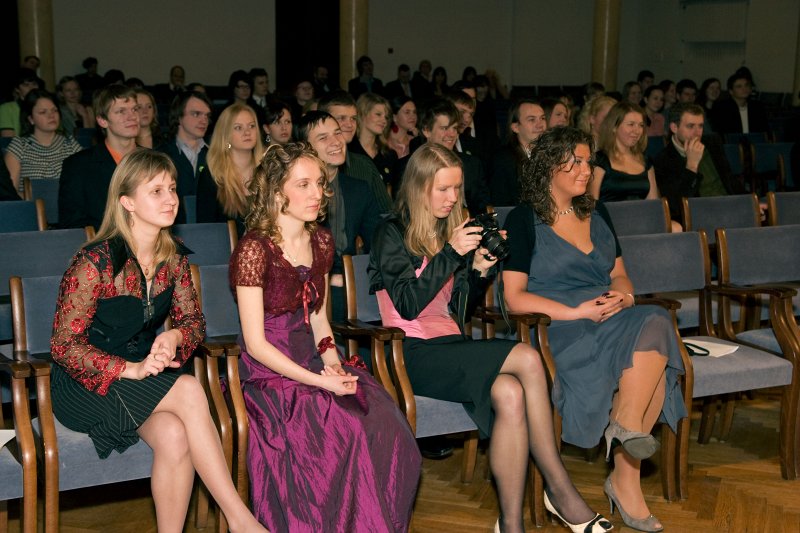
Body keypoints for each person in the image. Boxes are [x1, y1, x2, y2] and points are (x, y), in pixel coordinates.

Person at [369, 143, 612, 533]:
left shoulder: (448, 229)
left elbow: (457, 313)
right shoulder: (390, 232)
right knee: (528, 358)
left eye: (457, 189)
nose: (453, 199)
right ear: (419, 187)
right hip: (410, 353)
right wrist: (451, 253)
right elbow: (409, 304)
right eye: (443, 190)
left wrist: (478, 269)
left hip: (451, 346)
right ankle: (559, 486)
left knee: (511, 394)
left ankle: (510, 525)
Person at [49, 149, 266, 533]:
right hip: (85, 383)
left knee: (174, 434)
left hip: (143, 374)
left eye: (172, 189)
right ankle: (240, 519)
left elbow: (195, 323)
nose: (170, 199)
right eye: (156, 191)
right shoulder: (94, 263)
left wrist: (175, 334)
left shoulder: (174, 259)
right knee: (187, 388)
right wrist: (128, 369)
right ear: (127, 202)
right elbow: (64, 347)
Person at [503, 127, 686, 533]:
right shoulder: (523, 219)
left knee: (655, 319)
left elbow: (621, 276)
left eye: (589, 161)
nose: (587, 170)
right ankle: (625, 478)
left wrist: (623, 297)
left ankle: (625, 432)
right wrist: (577, 311)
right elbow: (515, 297)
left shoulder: (597, 211)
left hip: (610, 315)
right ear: (550, 167)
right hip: (559, 326)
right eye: (578, 162)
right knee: (652, 349)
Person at [229, 142, 419, 531]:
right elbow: (256, 344)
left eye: (319, 183)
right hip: (269, 377)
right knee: (343, 433)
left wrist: (333, 366)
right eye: (304, 185)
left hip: (314, 363)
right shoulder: (253, 249)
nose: (317, 193)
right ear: (277, 191)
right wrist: (319, 382)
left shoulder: (321, 241)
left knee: (387, 423)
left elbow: (318, 319)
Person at [295, 111, 385, 320]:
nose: (336, 141)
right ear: (305, 148)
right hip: (304, 288)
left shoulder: (357, 189)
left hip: (349, 283)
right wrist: (335, 278)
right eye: (323, 137)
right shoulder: (294, 191)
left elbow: (378, 242)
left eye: (337, 133)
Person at [59, 84, 140, 229]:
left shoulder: (156, 162)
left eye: (134, 109)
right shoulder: (78, 166)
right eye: (121, 111)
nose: (132, 116)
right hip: (102, 246)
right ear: (103, 121)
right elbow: (73, 224)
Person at [654, 103, 744, 220]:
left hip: (730, 206)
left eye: (700, 126)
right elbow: (677, 207)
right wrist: (692, 166)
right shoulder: (663, 160)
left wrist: (751, 203)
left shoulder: (712, 143)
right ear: (674, 128)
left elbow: (730, 180)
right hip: (702, 215)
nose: (697, 133)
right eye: (690, 126)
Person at [318, 91, 393, 212]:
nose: (350, 124)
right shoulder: (306, 165)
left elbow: (386, 213)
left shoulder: (365, 165)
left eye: (353, 118)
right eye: (341, 118)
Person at [197, 103, 263, 232]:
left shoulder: (268, 170)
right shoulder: (212, 175)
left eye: (252, 126)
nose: (247, 132)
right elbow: (205, 229)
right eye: (238, 128)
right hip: (226, 249)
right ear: (225, 135)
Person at [4, 89, 82, 194]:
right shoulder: (19, 146)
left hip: (67, 207)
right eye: (43, 112)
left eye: (54, 110)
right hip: (31, 208)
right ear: (31, 119)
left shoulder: (71, 145)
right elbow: (11, 194)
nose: (51, 115)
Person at [158, 90, 213, 222]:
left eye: (207, 115)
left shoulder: (215, 155)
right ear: (179, 117)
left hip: (209, 231)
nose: (203, 120)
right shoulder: (161, 155)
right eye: (196, 114)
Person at [590, 102, 659, 202]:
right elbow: (592, 207)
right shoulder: (599, 160)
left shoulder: (646, 161)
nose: (637, 131)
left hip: (641, 216)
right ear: (614, 127)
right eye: (631, 124)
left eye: (641, 125)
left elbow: (653, 203)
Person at [489, 98, 547, 206]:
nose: (540, 125)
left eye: (542, 118)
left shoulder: (551, 155)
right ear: (515, 127)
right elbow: (502, 204)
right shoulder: (503, 160)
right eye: (532, 120)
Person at [350, 92, 398, 186]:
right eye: (378, 114)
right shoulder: (348, 151)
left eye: (386, 117)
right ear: (363, 114)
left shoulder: (389, 155)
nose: (384, 121)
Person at [0, 69, 40, 137]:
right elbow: (8, 140)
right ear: (17, 89)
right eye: (26, 85)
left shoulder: (45, 107)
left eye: (34, 84)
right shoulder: (6, 108)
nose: (32, 88)